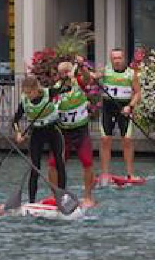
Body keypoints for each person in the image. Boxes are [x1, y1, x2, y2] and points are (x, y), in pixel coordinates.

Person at [49, 60, 97, 208]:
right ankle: (55, 195)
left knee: (87, 162)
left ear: (71, 72)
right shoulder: (56, 89)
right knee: (53, 164)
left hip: (80, 131)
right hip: (63, 133)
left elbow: (89, 79)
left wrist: (83, 67)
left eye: (66, 72)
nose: (64, 75)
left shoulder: (78, 82)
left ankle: (88, 197)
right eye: (61, 73)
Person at [12, 75, 64, 204]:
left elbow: (64, 86)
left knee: (59, 162)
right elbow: (15, 120)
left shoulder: (49, 93)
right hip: (37, 133)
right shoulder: (24, 101)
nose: (28, 95)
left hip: (53, 130)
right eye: (25, 92)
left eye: (30, 92)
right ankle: (32, 201)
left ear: (36, 89)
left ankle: (62, 197)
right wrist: (18, 133)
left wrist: (66, 77)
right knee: (35, 167)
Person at [96, 49, 143, 185]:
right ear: (111, 60)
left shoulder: (131, 74)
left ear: (123, 59)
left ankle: (130, 174)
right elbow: (93, 77)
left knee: (127, 140)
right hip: (108, 108)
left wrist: (130, 106)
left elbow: (137, 93)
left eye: (119, 58)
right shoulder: (105, 71)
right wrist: (82, 67)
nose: (117, 61)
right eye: (114, 58)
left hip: (124, 109)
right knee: (105, 140)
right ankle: (105, 173)